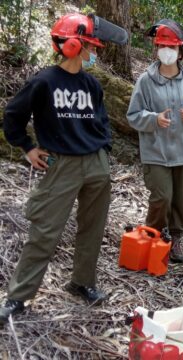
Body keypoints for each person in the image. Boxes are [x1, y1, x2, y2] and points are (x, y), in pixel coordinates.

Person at [0, 13, 128, 325]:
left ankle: (82, 282)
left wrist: (103, 150)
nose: (92, 52)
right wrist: (28, 148)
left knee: (93, 228)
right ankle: (18, 296)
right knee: (45, 230)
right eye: (89, 46)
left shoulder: (92, 84)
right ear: (73, 45)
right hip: (62, 164)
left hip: (96, 163)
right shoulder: (44, 81)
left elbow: (101, 121)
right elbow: (13, 116)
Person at [127, 19, 183, 263]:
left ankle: (175, 240)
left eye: (171, 47)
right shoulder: (145, 81)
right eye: (162, 46)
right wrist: (153, 119)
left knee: (178, 199)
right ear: (156, 49)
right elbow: (133, 115)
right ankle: (152, 236)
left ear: (180, 51)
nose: (166, 51)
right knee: (161, 197)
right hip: (156, 152)